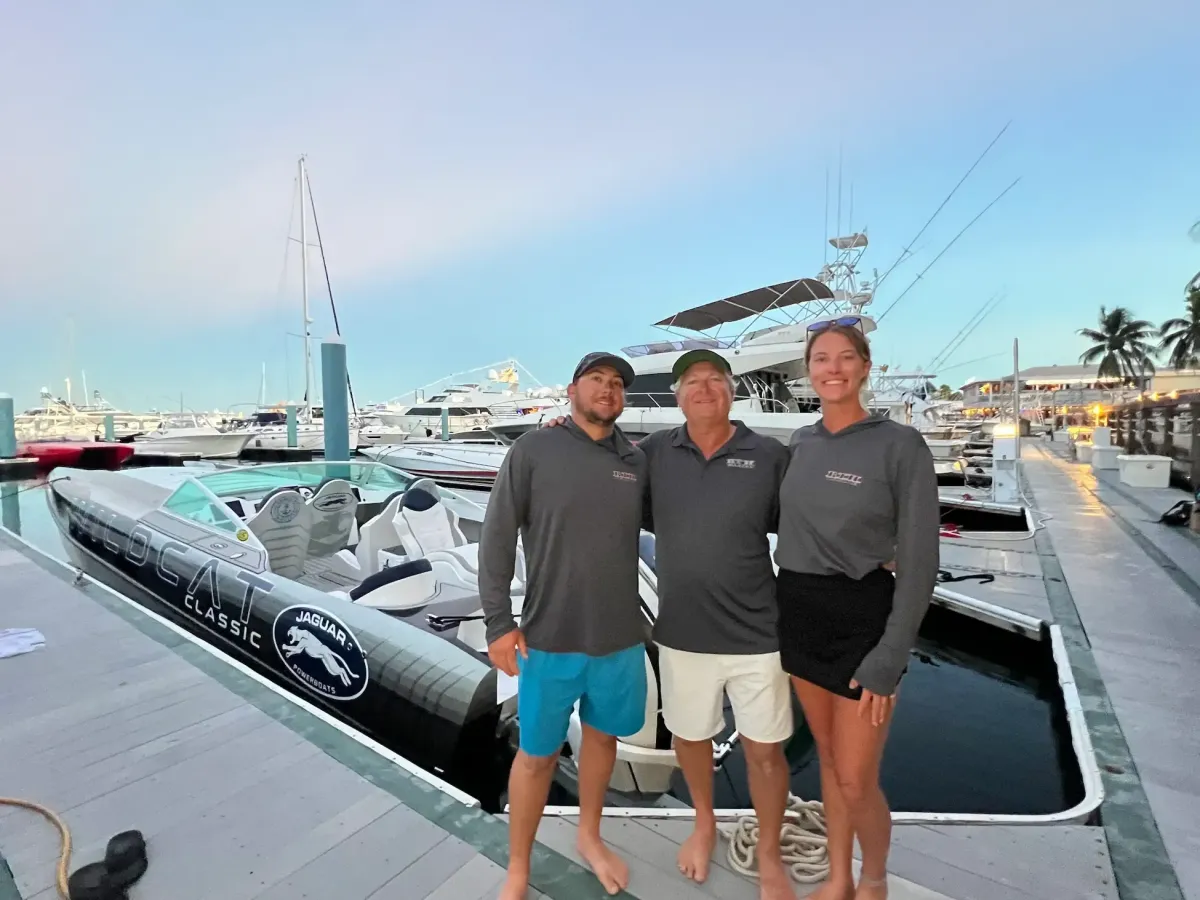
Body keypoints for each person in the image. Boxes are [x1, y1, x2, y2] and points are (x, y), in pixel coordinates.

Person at [543, 348, 797, 899]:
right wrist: (561, 430)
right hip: (681, 631)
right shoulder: (655, 453)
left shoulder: (770, 454)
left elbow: (809, 521)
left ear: (732, 391)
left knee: (765, 750)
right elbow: (599, 460)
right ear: (678, 397)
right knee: (691, 738)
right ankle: (704, 823)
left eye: (715, 380)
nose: (704, 388)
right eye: (692, 382)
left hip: (759, 632)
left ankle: (772, 854)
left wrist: (877, 549)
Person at [773, 321, 940, 900]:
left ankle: (874, 879)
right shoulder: (801, 443)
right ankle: (839, 875)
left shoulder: (900, 446)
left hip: (861, 618)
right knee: (826, 759)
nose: (833, 368)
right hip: (798, 610)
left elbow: (920, 562)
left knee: (856, 776)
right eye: (821, 359)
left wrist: (890, 655)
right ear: (809, 370)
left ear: (866, 367)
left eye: (846, 358)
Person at [479, 351, 649, 900]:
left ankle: (589, 837)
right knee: (536, 755)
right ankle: (519, 869)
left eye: (617, 383)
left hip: (620, 639)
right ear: (572, 390)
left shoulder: (637, 460)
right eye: (597, 380)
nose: (608, 389)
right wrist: (498, 624)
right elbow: (497, 538)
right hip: (548, 638)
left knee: (603, 741)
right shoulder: (533, 449)